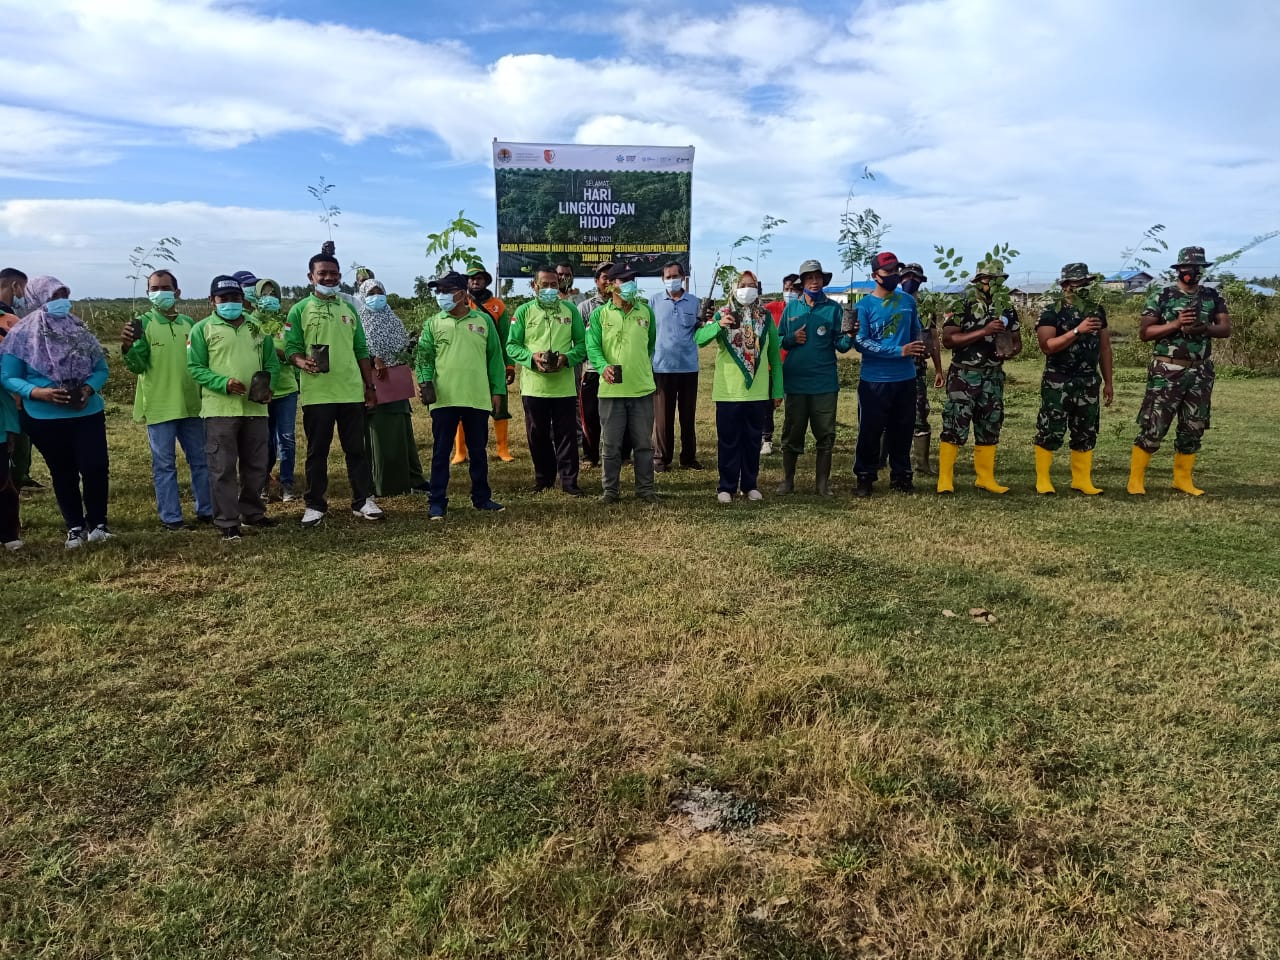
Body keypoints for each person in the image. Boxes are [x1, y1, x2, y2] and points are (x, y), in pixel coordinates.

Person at [0, 276, 112, 549]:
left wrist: (88, 388)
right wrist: (38, 393)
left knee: (95, 466)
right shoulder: (22, 334)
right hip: (44, 416)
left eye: (64, 294)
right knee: (63, 471)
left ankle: (98, 524)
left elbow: (101, 369)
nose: (61, 301)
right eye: (53, 296)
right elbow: (8, 376)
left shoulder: (79, 330)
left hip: (87, 411)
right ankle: (75, 527)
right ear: (38, 299)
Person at [283, 253, 383, 527]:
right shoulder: (300, 309)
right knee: (318, 452)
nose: (329, 278)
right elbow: (291, 348)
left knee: (356, 450)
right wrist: (301, 361)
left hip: (350, 391)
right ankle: (315, 504)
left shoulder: (349, 308)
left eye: (334, 273)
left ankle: (363, 500)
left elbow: (361, 349)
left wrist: (369, 386)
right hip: (318, 394)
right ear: (311, 277)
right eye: (323, 273)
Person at [1128, 245, 1231, 496]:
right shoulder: (1163, 296)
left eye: (1197, 268)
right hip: (1168, 370)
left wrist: (1203, 328)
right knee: (1155, 425)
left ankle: (1182, 479)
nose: (1192, 272)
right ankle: (1135, 481)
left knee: (1193, 426)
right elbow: (1145, 333)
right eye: (1187, 268)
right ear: (1178, 269)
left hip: (1200, 371)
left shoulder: (1211, 296)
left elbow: (1225, 329)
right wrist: (1176, 324)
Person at [187, 276, 279, 541]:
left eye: (235, 299)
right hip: (220, 410)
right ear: (212, 301)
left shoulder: (257, 327)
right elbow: (195, 367)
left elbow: (271, 362)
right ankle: (227, 521)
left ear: (244, 300)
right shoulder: (202, 329)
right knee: (223, 467)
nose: (230, 303)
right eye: (223, 299)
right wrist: (222, 383)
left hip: (255, 408)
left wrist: (266, 385)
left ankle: (253, 513)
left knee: (257, 465)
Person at [120, 269, 213, 529]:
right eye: (154, 289)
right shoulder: (142, 323)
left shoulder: (189, 325)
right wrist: (128, 347)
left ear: (177, 292)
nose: (160, 293)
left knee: (201, 460)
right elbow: (137, 365)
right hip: (160, 405)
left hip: (192, 404)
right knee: (164, 465)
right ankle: (171, 517)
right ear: (148, 294)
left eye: (165, 288)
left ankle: (207, 510)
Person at [414, 271, 507, 520]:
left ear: (462, 293)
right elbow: (424, 358)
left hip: (476, 397)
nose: (441, 296)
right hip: (444, 398)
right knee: (441, 451)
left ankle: (482, 498)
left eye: (446, 290)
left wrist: (498, 390)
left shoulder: (483, 321)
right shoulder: (434, 323)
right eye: (438, 291)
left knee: (478, 451)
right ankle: (437, 501)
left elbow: (495, 359)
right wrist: (424, 381)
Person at [694, 271, 783, 502]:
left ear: (758, 288)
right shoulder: (724, 313)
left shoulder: (765, 317)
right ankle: (727, 486)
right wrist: (718, 325)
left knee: (753, 441)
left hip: (757, 390)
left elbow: (774, 354)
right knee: (729, 440)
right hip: (728, 391)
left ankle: (750, 484)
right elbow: (699, 339)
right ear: (734, 288)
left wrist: (777, 390)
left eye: (751, 285)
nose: (747, 289)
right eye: (742, 285)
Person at [937, 258, 1023, 494]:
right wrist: (984, 331)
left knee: (990, 426)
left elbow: (1017, 343)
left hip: (993, 375)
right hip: (964, 374)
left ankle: (985, 478)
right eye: (987, 279)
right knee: (955, 424)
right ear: (978, 280)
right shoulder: (962, 303)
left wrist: (1009, 351)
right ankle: (945, 479)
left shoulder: (1005, 306)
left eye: (997, 280)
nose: (992, 284)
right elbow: (948, 339)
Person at [505, 266, 588, 495]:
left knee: (567, 435)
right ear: (534, 286)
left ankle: (569, 482)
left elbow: (582, 345)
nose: (550, 289)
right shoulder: (523, 311)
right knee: (537, 435)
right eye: (545, 285)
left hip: (563, 387)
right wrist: (531, 358)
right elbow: (512, 345)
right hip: (534, 387)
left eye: (554, 284)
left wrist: (567, 358)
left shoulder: (570, 310)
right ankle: (543, 479)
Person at [1033, 263, 1114, 495]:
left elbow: (1105, 348)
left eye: (1086, 284)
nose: (1084, 288)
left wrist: (1108, 382)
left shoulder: (1096, 310)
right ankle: (1043, 480)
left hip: (1088, 381)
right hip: (1059, 380)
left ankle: (1081, 480)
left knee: (1086, 431)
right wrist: (1077, 330)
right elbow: (1047, 346)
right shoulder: (1052, 310)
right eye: (1079, 284)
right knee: (1051, 430)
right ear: (1067, 285)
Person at [849, 252, 925, 496]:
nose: (893, 276)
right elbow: (861, 343)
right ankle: (865, 476)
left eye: (896, 271)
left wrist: (917, 346)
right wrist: (898, 350)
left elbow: (916, 330)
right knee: (870, 430)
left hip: (905, 378)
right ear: (875, 276)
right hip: (875, 380)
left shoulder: (907, 301)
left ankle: (901, 476)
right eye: (888, 272)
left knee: (902, 429)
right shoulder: (864, 306)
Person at [777, 259, 851, 496]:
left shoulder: (834, 309)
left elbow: (841, 345)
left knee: (825, 434)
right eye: (810, 278)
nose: (815, 282)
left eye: (818, 277)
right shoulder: (791, 309)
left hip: (824, 383)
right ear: (803, 282)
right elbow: (776, 340)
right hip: (796, 382)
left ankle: (822, 485)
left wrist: (850, 336)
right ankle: (788, 481)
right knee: (792, 432)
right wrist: (790, 340)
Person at [585, 263, 658, 504]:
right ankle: (611, 491)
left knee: (644, 445)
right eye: (623, 280)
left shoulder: (645, 312)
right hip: (610, 390)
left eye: (632, 280)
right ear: (611, 285)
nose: (629, 285)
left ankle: (646, 490)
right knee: (611, 445)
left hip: (642, 390)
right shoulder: (599, 315)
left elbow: (650, 346)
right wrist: (603, 366)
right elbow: (593, 346)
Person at [357, 277, 428, 497]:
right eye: (370, 293)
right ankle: (383, 483)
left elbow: (402, 347)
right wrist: (372, 359)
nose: (376, 297)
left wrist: (412, 343)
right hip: (373, 385)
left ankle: (411, 479)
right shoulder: (358, 321)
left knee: (402, 431)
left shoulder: (393, 319)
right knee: (379, 434)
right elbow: (355, 348)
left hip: (396, 385)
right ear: (362, 296)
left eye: (380, 292)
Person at [451, 266, 516, 464]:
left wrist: (509, 365)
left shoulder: (498, 305)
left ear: (486, 281)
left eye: (479, 279)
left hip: (493, 361)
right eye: (471, 279)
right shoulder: (459, 303)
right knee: (462, 407)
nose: (475, 282)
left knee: (499, 406)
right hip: (468, 363)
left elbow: (506, 337)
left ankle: (502, 449)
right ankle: (460, 452)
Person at [245, 278, 299, 501]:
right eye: (264, 294)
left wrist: (274, 352)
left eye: (273, 294)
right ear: (256, 298)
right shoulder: (249, 323)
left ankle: (287, 484)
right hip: (261, 391)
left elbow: (293, 351)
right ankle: (264, 483)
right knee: (263, 440)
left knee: (286, 438)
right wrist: (277, 353)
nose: (269, 298)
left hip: (286, 390)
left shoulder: (285, 324)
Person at [649, 261, 702, 472]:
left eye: (675, 276)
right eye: (668, 277)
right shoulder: (653, 302)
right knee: (662, 418)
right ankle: (661, 458)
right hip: (662, 367)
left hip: (688, 367)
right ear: (663, 279)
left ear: (683, 277)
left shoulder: (694, 302)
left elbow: (699, 330)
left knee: (688, 415)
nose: (672, 280)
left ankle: (688, 458)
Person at [899, 263, 945, 475]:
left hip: (917, 369)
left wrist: (938, 369)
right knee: (888, 414)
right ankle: (883, 459)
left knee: (920, 413)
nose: (910, 280)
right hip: (895, 367)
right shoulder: (893, 302)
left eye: (914, 277)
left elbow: (933, 339)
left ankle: (922, 464)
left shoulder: (926, 306)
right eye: (907, 276)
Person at [0, 267, 41, 490]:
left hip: (13, 395)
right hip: (14, 396)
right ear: (15, 286)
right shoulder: (11, 319)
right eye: (23, 289)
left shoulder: (12, 317)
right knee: (16, 444)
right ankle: (14, 484)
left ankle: (19, 478)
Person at [575, 261, 615, 469]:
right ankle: (590, 456)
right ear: (597, 281)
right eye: (604, 277)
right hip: (592, 371)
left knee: (618, 414)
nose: (608, 281)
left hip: (617, 370)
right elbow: (580, 341)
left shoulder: (628, 305)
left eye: (612, 277)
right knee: (590, 415)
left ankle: (622, 454)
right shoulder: (585, 307)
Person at [761, 273, 800, 456]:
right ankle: (766, 439)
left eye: (793, 289)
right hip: (772, 366)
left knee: (793, 406)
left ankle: (791, 440)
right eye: (786, 289)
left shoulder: (803, 311)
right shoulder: (771, 309)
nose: (789, 292)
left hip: (795, 367)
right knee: (768, 405)